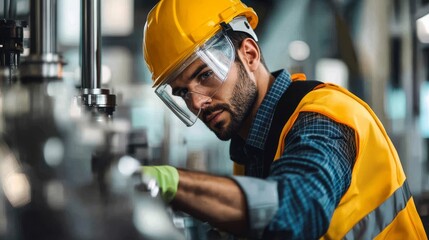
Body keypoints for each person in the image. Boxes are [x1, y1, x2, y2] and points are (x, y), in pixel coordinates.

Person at [140, 0, 428, 239]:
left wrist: (172, 183)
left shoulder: (324, 119)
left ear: (250, 55)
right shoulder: (250, 149)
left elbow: (296, 212)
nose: (197, 102)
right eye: (182, 93)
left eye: (205, 75)